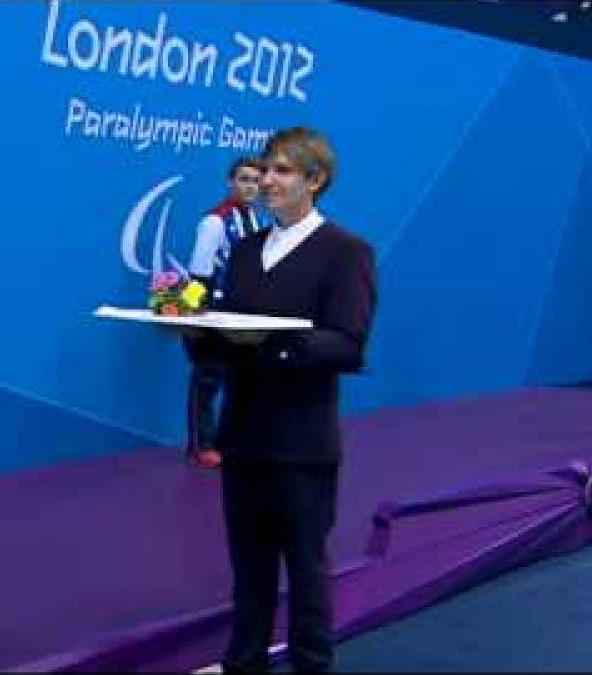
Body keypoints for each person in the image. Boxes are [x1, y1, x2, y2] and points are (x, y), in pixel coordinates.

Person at [192, 128, 377, 672]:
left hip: (302, 444)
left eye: (282, 171)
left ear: (315, 181)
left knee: (306, 574)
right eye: (265, 170)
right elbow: (223, 337)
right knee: (248, 575)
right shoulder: (246, 250)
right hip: (243, 439)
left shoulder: (346, 252)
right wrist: (192, 330)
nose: (267, 181)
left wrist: (275, 345)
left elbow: (348, 343)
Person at [183, 156, 266, 469]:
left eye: (256, 182)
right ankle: (200, 445)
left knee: (240, 378)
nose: (250, 187)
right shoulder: (214, 222)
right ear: (230, 182)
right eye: (244, 180)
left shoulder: (255, 221)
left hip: (242, 310)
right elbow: (199, 271)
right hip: (213, 309)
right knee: (208, 376)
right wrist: (192, 315)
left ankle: (228, 439)